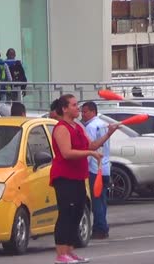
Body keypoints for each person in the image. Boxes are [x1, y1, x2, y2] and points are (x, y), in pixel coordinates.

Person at [50, 94, 118, 264]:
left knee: (78, 211)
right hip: (64, 177)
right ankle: (61, 253)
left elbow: (92, 145)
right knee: (66, 212)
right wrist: (90, 154)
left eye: (77, 105)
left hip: (79, 176)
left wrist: (108, 134)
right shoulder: (61, 128)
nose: (77, 108)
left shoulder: (78, 126)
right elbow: (67, 153)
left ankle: (70, 251)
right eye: (73, 105)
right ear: (64, 109)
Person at [81, 101, 111, 239]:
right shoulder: (103, 124)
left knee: (96, 200)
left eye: (85, 111)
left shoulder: (91, 127)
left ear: (93, 111)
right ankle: (103, 226)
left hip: (95, 168)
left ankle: (100, 228)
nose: (83, 114)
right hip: (105, 167)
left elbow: (91, 147)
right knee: (102, 200)